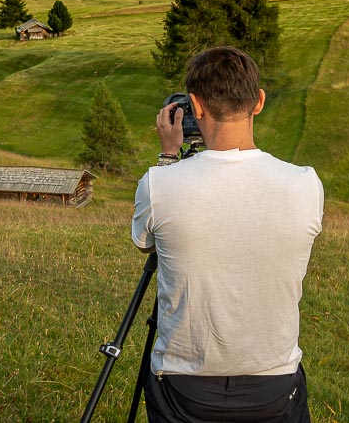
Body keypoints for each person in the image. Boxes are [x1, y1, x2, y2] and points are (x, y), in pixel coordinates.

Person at [132, 46, 324, 422]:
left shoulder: (159, 185)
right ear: (259, 102)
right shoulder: (306, 184)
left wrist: (169, 157)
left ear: (195, 107)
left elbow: (145, 243)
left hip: (184, 384)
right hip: (274, 382)